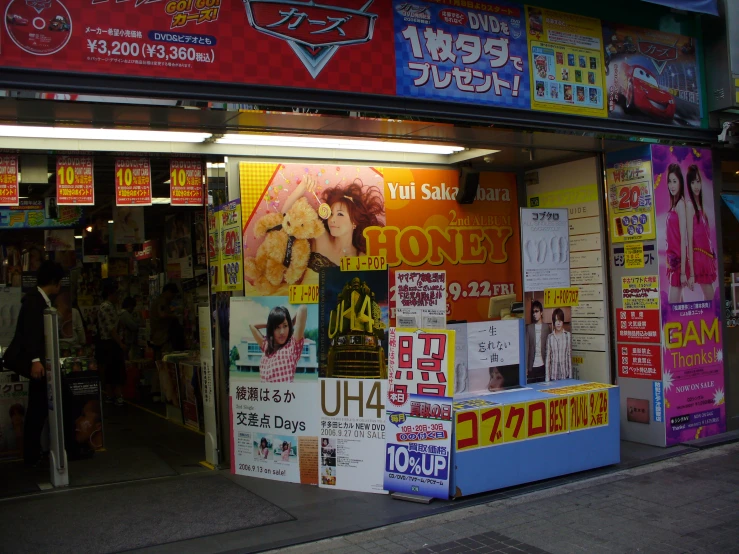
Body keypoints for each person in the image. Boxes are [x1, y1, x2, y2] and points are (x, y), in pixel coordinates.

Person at [9, 260, 64, 466]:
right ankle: (33, 454)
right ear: (54, 282)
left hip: (42, 362)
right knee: (38, 408)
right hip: (40, 363)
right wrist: (36, 361)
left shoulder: (38, 300)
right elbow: (32, 333)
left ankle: (33, 454)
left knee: (38, 408)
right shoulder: (34, 301)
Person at [282, 174, 384, 268]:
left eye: (340, 214)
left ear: (354, 222)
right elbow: (285, 217)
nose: (332, 219)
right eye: (331, 213)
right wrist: (303, 186)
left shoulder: (362, 259)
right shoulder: (320, 235)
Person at [250, 305, 307, 383]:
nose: (282, 332)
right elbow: (252, 325)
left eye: (285, 326)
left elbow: (303, 309)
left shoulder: (292, 346)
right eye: (277, 327)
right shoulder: (266, 346)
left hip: (284, 394)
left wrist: (290, 323)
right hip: (266, 394)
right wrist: (271, 324)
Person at [685, 164, 717, 301]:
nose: (696, 185)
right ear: (689, 184)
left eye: (698, 181)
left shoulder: (701, 207)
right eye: (693, 182)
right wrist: (691, 273)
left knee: (709, 297)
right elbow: (689, 239)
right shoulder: (690, 206)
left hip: (706, 257)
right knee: (710, 295)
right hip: (698, 258)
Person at [97, 279, 127, 406]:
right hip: (110, 343)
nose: (118, 297)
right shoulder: (106, 307)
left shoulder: (112, 307)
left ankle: (111, 395)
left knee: (111, 370)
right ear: (111, 294)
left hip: (110, 343)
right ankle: (115, 395)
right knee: (115, 370)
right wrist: (120, 344)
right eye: (117, 294)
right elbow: (111, 329)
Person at [665, 164, 690, 303]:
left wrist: (682, 272)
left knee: (673, 303)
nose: (672, 185)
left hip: (678, 262)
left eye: (675, 181)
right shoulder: (674, 205)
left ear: (680, 182)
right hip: (673, 261)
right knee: (679, 304)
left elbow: (684, 238)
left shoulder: (680, 205)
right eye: (669, 181)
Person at [150, 283, 180, 360]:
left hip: (158, 335)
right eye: (172, 294)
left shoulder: (159, 300)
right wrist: (174, 316)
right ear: (168, 292)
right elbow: (162, 314)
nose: (173, 297)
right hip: (162, 336)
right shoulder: (162, 301)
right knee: (165, 358)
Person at [525, 300, 550, 384]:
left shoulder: (546, 327)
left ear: (541, 312)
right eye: (533, 312)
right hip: (532, 366)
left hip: (543, 365)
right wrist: (526, 367)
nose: (534, 314)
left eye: (536, 311)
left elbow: (549, 347)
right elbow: (526, 348)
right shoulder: (529, 328)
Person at [545, 308, 572, 381]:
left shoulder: (567, 335)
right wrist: (547, 379)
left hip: (565, 375)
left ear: (563, 321)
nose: (558, 323)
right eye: (556, 321)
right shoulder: (550, 337)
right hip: (553, 376)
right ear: (553, 322)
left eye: (560, 320)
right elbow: (548, 359)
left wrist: (570, 377)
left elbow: (569, 357)